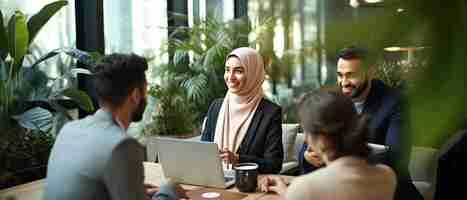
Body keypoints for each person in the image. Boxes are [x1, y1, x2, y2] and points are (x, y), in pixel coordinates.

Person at [44, 54, 186, 200]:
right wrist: (168, 191)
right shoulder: (122, 145)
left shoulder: (68, 130)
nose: (147, 97)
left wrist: (134, 189)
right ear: (136, 95)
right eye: (146, 90)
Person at [298, 46, 423, 199]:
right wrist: (307, 156)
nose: (344, 82)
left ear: (370, 72)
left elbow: (397, 158)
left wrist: (332, 156)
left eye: (351, 75)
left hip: (391, 191)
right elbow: (308, 145)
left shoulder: (395, 102)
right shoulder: (332, 99)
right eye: (340, 75)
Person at [260, 90, 397, 200]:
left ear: (321, 138)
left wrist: (293, 194)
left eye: (306, 131)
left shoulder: (306, 188)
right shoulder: (387, 176)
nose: (306, 139)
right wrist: (287, 192)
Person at [201, 47, 283, 174]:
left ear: (253, 73)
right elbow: (203, 149)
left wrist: (238, 159)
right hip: (212, 179)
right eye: (227, 70)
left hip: (247, 184)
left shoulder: (270, 112)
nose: (230, 77)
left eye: (238, 71)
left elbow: (274, 164)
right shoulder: (216, 107)